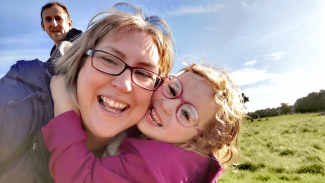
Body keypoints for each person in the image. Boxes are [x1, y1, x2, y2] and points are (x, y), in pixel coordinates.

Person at [0, 3, 173, 182]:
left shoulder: (155, 154)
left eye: (144, 73)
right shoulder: (22, 103)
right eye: (109, 60)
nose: (124, 84)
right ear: (80, 62)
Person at [42, 63, 244, 182]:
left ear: (194, 142)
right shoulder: (187, 162)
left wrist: (63, 105)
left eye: (185, 114)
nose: (168, 106)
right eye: (172, 90)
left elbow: (77, 176)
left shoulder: (154, 168)